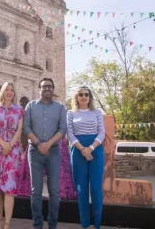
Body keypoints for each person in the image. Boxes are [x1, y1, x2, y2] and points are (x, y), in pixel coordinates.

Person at [23, 78, 67, 229]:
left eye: (50, 86)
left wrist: (48, 144)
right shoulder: (30, 106)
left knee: (54, 190)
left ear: (53, 89)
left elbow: (62, 129)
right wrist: (39, 143)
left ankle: (52, 225)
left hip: (53, 151)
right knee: (35, 190)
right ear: (39, 89)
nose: (47, 89)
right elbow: (26, 128)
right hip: (34, 152)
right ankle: (37, 225)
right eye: (44, 86)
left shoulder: (61, 107)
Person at [67, 86, 105, 229]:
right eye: (80, 94)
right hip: (78, 150)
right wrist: (83, 149)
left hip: (95, 149)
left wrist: (91, 148)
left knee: (95, 188)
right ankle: (84, 224)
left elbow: (101, 133)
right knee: (81, 188)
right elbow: (69, 133)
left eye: (86, 94)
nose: (84, 97)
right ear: (76, 97)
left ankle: (97, 224)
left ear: (90, 97)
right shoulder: (71, 113)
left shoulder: (97, 112)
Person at [0, 82, 24, 229]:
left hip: (12, 151)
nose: (9, 92)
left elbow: (19, 130)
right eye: (7, 90)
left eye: (12, 90)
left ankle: (7, 223)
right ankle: (0, 219)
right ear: (2, 92)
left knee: (9, 187)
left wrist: (9, 145)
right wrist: (3, 144)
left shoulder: (19, 109)